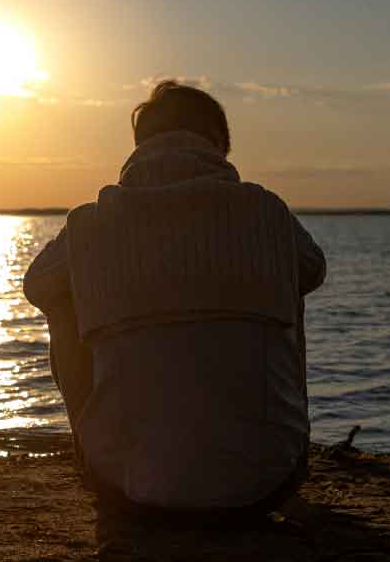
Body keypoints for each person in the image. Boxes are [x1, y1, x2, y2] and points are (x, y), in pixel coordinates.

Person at [23, 80, 326, 521]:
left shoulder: (90, 223)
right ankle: (267, 440)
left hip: (127, 489)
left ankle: (101, 450)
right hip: (267, 484)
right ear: (218, 144)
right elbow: (313, 270)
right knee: (288, 278)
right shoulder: (267, 210)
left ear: (140, 144)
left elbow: (36, 285)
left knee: (60, 297)